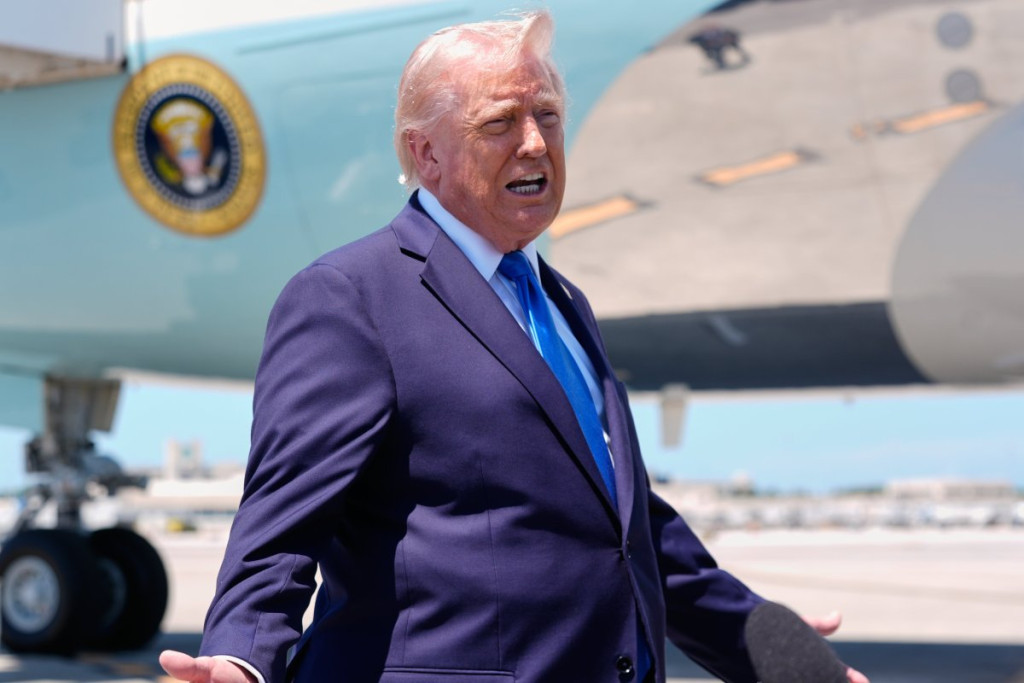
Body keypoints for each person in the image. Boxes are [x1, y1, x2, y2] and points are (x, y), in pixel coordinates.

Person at [160, 11, 867, 683]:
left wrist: (770, 647)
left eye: (548, 117)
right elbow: (283, 522)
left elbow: (618, 526)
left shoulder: (561, 301)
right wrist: (242, 657)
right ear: (425, 153)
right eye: (500, 122)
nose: (534, 143)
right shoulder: (352, 296)